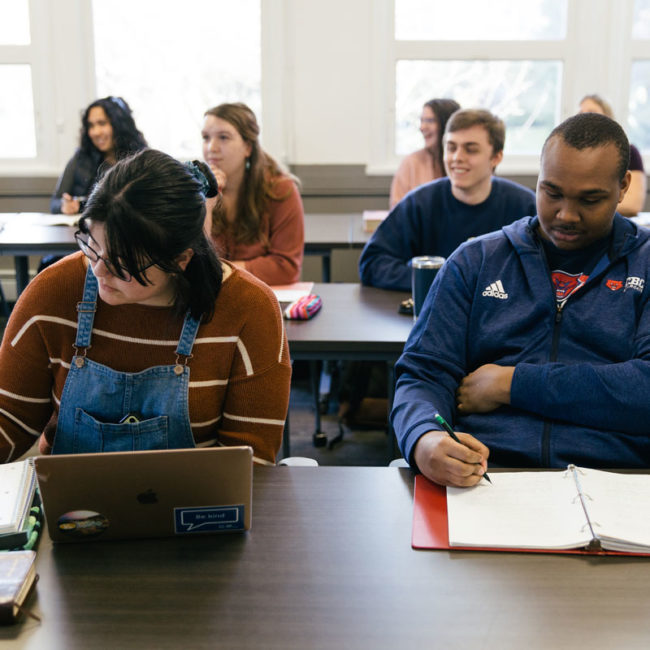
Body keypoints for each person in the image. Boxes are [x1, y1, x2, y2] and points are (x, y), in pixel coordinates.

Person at [392, 112, 650, 487]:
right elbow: (423, 373)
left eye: (589, 200)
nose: (566, 214)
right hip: (487, 476)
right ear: (538, 180)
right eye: (552, 193)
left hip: (620, 479)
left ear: (623, 186)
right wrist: (424, 438)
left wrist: (512, 385)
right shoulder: (474, 261)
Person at [0, 149, 290, 465]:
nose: (98, 271)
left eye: (122, 264)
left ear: (180, 260)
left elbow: (250, 462)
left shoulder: (249, 310)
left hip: (196, 507)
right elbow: (9, 420)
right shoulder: (55, 292)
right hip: (68, 505)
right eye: (92, 247)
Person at [359, 108, 537, 291]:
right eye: (451, 148)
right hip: (434, 313)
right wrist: (437, 280)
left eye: (471, 150)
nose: (457, 158)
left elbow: (549, 268)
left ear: (496, 157)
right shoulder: (419, 203)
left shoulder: (525, 207)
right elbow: (373, 263)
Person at [201, 102, 304, 285]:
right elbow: (193, 261)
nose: (211, 147)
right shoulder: (198, 191)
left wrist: (220, 270)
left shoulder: (280, 189)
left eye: (223, 137)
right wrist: (208, 202)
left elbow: (285, 267)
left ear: (248, 147)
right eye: (206, 137)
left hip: (261, 296)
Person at [50, 96, 147, 215]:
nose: (95, 132)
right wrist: (64, 206)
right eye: (91, 125)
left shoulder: (142, 160)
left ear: (120, 125)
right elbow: (55, 202)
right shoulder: (80, 158)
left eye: (102, 123)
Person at [578, 93, 647, 216]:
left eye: (591, 112)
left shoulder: (629, 152)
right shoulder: (571, 154)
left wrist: (585, 205)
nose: (584, 117)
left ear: (607, 118)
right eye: (580, 113)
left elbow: (633, 204)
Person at [389, 98, 461, 208]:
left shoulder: (464, 162)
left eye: (430, 121)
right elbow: (397, 215)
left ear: (448, 124)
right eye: (422, 120)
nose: (422, 127)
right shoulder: (411, 164)